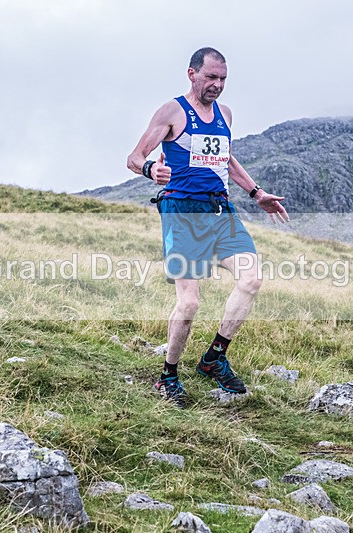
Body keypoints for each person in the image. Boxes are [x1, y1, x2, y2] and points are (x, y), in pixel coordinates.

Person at [126, 47, 289, 408]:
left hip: (221, 210)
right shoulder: (172, 112)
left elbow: (224, 157)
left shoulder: (225, 114)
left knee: (252, 279)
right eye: (211, 77)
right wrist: (151, 169)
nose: (217, 85)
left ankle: (214, 358)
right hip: (182, 212)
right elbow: (134, 158)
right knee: (189, 304)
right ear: (192, 74)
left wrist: (256, 192)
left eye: (223, 79)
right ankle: (168, 376)